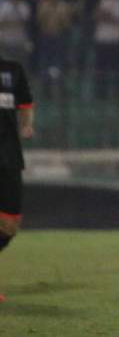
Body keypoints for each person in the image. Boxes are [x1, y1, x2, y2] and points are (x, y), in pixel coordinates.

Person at [0, 53, 34, 303]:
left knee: (10, 224)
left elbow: (25, 103)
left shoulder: (13, 70)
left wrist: (26, 125)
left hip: (9, 156)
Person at [93, 0, 119, 101]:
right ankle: (101, 92)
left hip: (115, 39)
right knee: (101, 67)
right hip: (102, 38)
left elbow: (118, 19)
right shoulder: (102, 1)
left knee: (116, 67)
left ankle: (118, 92)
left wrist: (105, 15)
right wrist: (102, 14)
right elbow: (96, 16)